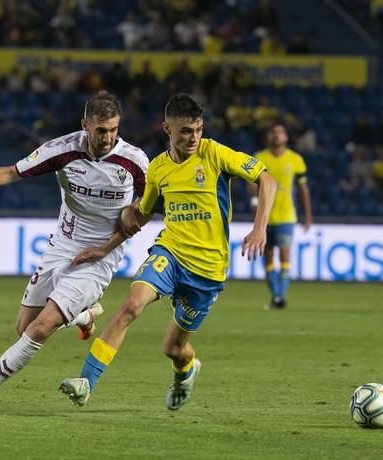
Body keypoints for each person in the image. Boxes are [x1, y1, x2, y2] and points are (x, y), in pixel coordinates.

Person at [58, 93, 277, 411]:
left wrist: (260, 228)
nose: (194, 137)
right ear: (167, 128)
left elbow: (267, 180)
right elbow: (139, 217)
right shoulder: (158, 170)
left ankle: (186, 370)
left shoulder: (214, 154)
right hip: (170, 254)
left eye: (198, 129)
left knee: (174, 348)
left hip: (208, 269)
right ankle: (86, 382)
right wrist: (105, 248)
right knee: (131, 306)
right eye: (186, 130)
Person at [0, 91, 149, 412]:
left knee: (41, 328)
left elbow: (147, 207)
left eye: (113, 130)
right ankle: (85, 314)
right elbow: (12, 172)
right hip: (62, 245)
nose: (107, 138)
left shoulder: (134, 162)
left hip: (101, 257)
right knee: (24, 327)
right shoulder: (62, 150)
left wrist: (128, 217)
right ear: (85, 125)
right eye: (100, 130)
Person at [250, 123, 312, 309]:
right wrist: (254, 203)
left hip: (286, 217)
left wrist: (307, 214)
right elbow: (252, 185)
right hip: (265, 218)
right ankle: (277, 296)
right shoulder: (260, 158)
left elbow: (303, 189)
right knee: (268, 259)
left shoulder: (295, 159)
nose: (277, 136)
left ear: (286, 137)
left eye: (280, 132)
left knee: (285, 257)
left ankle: (279, 296)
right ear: (268, 137)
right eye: (273, 132)